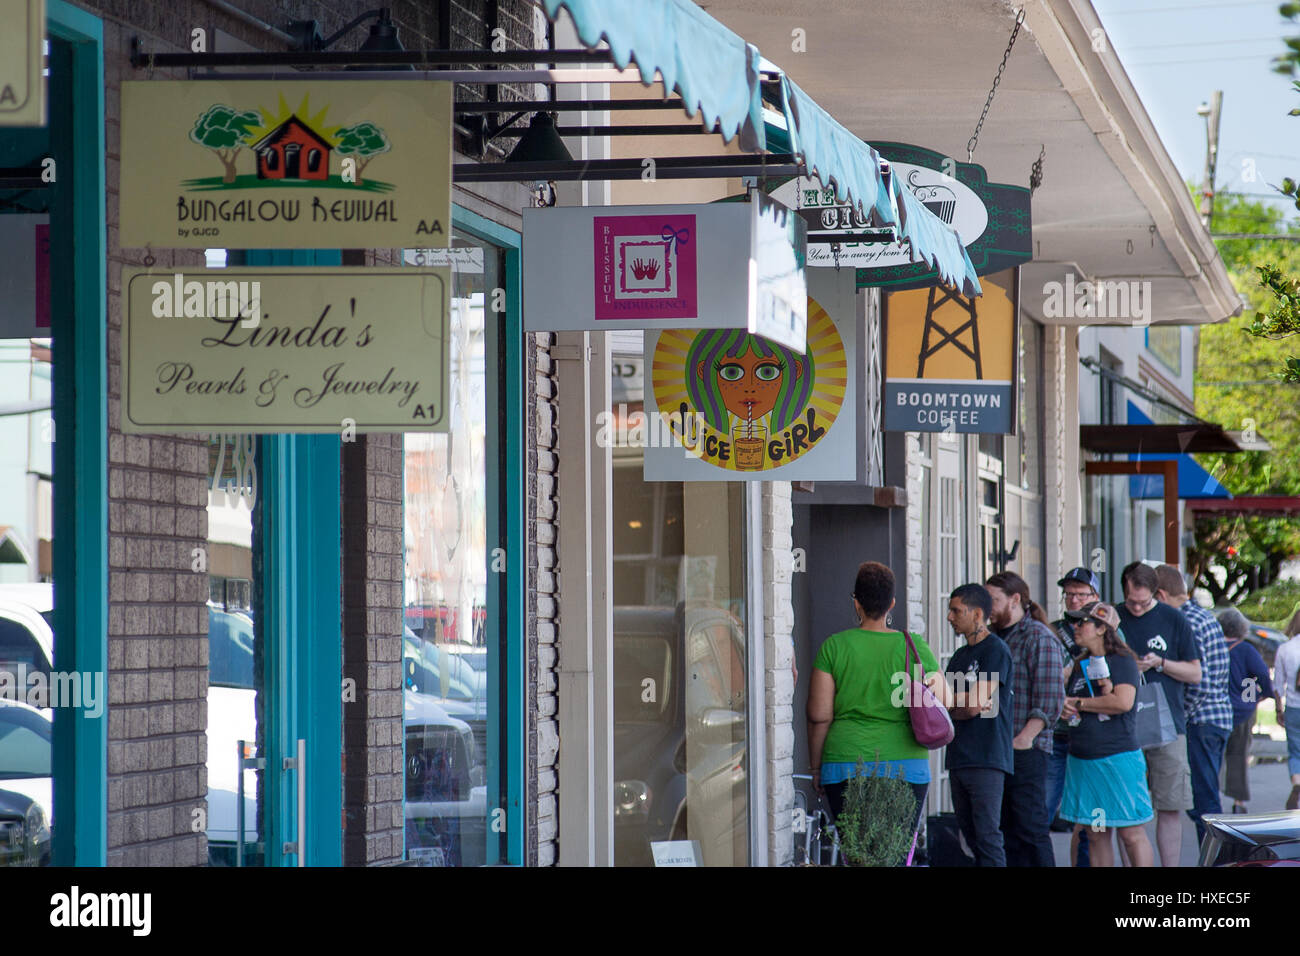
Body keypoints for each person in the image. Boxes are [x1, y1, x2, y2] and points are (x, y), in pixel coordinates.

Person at [808, 561, 949, 845]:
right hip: (906, 765)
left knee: (858, 854)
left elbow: (819, 716)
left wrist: (816, 767)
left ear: (856, 602)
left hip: (845, 762)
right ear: (892, 604)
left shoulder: (833, 647)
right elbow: (943, 699)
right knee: (892, 854)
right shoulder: (913, 646)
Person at [1115, 561, 1200, 867]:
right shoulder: (1113, 618)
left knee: (1170, 804)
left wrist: (1160, 663)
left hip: (1168, 726)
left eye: (1143, 602)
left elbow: (1195, 672)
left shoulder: (1174, 619)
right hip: (1121, 725)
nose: (1136, 608)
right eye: (1130, 602)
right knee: (1126, 810)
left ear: (1156, 593)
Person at [1058, 601, 1155, 867]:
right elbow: (1081, 704)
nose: (1076, 627)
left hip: (1116, 759)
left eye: (1083, 622)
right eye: (1075, 622)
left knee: (1130, 831)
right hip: (1084, 759)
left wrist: (1078, 704)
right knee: (1096, 833)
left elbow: (1122, 702)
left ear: (1102, 628)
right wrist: (1069, 711)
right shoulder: (1080, 664)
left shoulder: (1121, 660)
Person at [986, 570, 1064, 867]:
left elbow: (1051, 699)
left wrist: (1024, 738)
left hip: (1027, 750)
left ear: (1015, 599)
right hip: (996, 749)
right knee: (1004, 829)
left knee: (1029, 828)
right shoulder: (992, 638)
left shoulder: (1039, 637)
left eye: (993, 600)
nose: (988, 607)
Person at [1153, 565, 1231, 846]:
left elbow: (1199, 681)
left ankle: (1218, 859)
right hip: (1216, 717)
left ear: (1161, 595)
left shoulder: (1186, 622)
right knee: (1206, 797)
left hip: (1200, 720)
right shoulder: (1202, 616)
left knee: (1204, 801)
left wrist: (1177, 716)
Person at [943, 583, 1014, 867]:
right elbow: (944, 708)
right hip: (959, 756)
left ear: (977, 614)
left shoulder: (995, 650)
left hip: (987, 758)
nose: (950, 617)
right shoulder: (959, 657)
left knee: (987, 837)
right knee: (971, 837)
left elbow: (973, 705)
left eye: (956, 610)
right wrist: (960, 703)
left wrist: (958, 703)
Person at [1047, 567, 1103, 869]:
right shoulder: (1052, 630)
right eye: (1069, 593)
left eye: (1081, 594)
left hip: (1092, 734)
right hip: (1057, 731)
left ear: (1095, 596)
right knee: (1040, 809)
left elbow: (1118, 679)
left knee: (1090, 818)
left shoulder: (1107, 629)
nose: (1074, 599)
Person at [1216, 608, 1277, 814]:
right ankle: (1238, 802)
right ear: (1242, 628)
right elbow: (1261, 674)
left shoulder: (1212, 647)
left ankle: (1210, 796)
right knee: (1238, 755)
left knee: (1214, 755)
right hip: (1242, 710)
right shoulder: (1246, 649)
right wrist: (1264, 694)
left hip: (1214, 711)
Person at [1277, 611, 1300, 811]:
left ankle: (1296, 782)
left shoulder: (1285, 649)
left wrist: (1278, 709)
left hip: (1293, 706)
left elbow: (1278, 684)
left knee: (1295, 751)